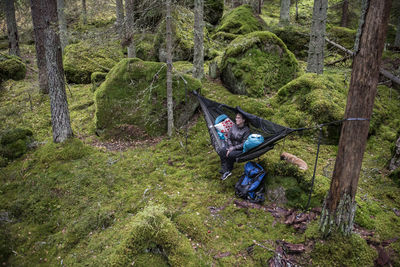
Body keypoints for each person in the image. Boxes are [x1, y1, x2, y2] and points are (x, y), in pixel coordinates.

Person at [219, 113, 250, 180]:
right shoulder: (233, 127)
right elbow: (228, 137)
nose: (236, 119)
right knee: (222, 151)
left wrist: (233, 148)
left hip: (240, 149)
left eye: (239, 118)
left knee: (230, 154)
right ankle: (224, 169)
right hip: (231, 146)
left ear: (243, 120)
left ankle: (228, 170)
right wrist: (230, 147)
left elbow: (244, 144)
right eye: (236, 118)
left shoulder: (246, 130)